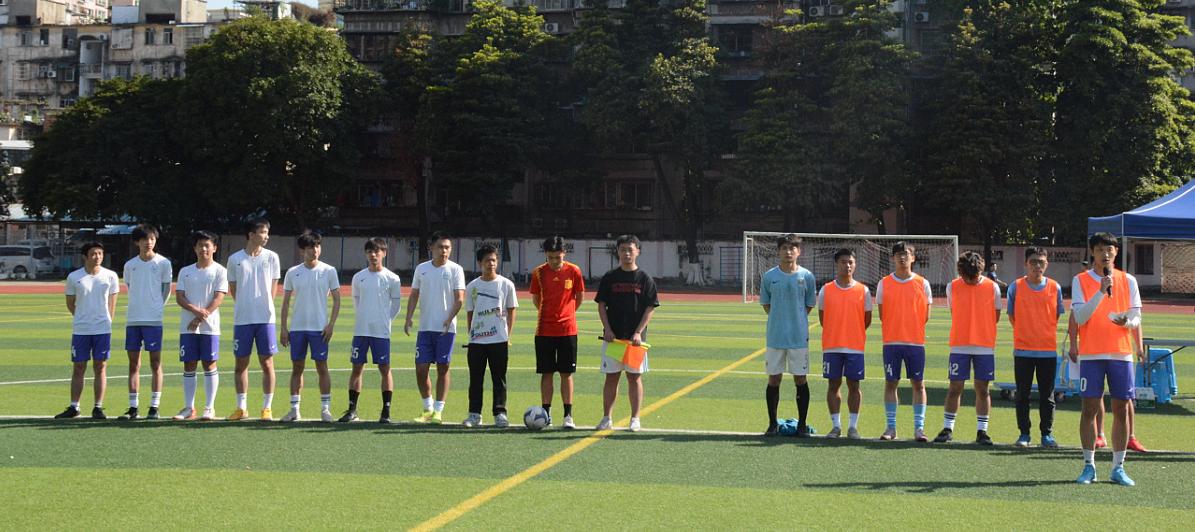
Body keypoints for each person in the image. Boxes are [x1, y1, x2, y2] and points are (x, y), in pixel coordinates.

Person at [1071, 232, 1144, 486]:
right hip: (1092, 353)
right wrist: (1101, 292)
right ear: (1092, 252)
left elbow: (1136, 316)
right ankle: (1089, 465)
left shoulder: (1128, 280)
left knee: (1121, 408)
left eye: (1110, 249)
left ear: (1116, 252)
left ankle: (1118, 467)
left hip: (1121, 353)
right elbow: (1081, 317)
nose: (1106, 254)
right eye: (1101, 249)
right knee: (1089, 408)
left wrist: (1127, 322)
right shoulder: (1080, 280)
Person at [934, 251, 1002, 445]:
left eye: (974, 277)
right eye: (966, 277)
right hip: (959, 344)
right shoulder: (952, 286)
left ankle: (982, 431)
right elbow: (954, 311)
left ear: (980, 270)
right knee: (955, 387)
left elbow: (996, 315)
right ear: (961, 273)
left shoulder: (992, 287)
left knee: (982, 389)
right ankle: (948, 428)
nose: (970, 281)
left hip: (984, 345)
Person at [595, 234, 659, 432]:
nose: (626, 253)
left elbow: (650, 308)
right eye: (623, 250)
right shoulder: (609, 277)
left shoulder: (644, 279)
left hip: (635, 342)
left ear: (637, 251)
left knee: (634, 378)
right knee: (611, 377)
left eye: (630, 250)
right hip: (614, 340)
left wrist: (638, 332)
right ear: (617, 252)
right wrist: (607, 329)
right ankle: (607, 418)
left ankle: (635, 418)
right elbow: (601, 305)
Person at [278, 231, 341, 423]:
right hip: (298, 328)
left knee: (322, 366)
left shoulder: (329, 271)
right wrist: (283, 328)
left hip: (319, 328)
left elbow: (337, 300)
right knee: (297, 367)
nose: (315, 250)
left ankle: (325, 409)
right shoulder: (292, 272)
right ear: (302, 250)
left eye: (317, 246)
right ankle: (294, 410)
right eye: (310, 247)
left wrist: (331, 325)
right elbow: (285, 302)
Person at [404, 231, 466, 424]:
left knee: (443, 368)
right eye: (440, 247)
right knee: (421, 369)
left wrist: (449, 319)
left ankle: (438, 410)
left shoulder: (456, 270)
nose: (444, 251)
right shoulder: (421, 269)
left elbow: (460, 299)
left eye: (447, 247)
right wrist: (408, 317)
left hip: (446, 329)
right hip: (425, 327)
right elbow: (414, 294)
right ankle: (427, 408)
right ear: (431, 247)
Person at [759, 234, 817, 437]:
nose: (788, 251)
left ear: (799, 251)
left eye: (792, 248)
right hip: (775, 336)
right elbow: (766, 304)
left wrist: (796, 319)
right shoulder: (769, 276)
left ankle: (802, 424)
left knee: (800, 379)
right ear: (778, 251)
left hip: (798, 337)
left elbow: (809, 304)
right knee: (774, 379)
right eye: (784, 248)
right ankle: (772, 424)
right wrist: (780, 318)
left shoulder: (807, 276)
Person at [55, 242, 120, 419]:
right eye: (93, 254)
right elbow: (70, 303)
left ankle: (98, 407)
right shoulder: (74, 277)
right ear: (85, 256)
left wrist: (107, 321)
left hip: (102, 329)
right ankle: (74, 406)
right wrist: (82, 317)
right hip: (81, 329)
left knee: (100, 367)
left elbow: (112, 303)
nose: (97, 257)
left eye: (100, 253)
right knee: (78, 367)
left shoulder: (110, 276)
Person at [1007, 247, 1064, 448]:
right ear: (1026, 263)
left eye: (1041, 262)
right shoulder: (1015, 287)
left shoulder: (1055, 287)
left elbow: (1056, 315)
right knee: (1022, 394)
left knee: (1047, 396)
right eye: (1033, 261)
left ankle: (1046, 434)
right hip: (1023, 350)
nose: (1037, 266)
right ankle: (1024, 434)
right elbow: (1012, 316)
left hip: (1047, 351)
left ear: (1046, 264)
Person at [876, 242, 933, 441]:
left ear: (913, 258)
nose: (902, 258)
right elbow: (882, 313)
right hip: (891, 342)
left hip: (915, 343)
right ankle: (891, 428)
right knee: (891, 383)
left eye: (906, 254)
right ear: (893, 258)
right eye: (899, 254)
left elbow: (926, 315)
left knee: (918, 384)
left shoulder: (922, 283)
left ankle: (919, 428)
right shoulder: (884, 283)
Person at [341, 238, 402, 423]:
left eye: (377, 251)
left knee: (384, 369)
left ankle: (386, 411)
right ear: (366, 254)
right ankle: (352, 410)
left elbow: (396, 305)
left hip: (381, 332)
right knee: (356, 368)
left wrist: (385, 321)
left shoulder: (392, 278)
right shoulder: (358, 277)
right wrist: (363, 318)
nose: (373, 255)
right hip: (361, 331)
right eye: (370, 251)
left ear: (384, 253)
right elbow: (356, 301)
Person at [226, 219, 281, 421]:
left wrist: (265, 307)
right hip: (243, 319)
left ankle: (267, 408)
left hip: (265, 319)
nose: (266, 236)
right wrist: (245, 306)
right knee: (241, 364)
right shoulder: (234, 259)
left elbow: (273, 288)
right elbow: (234, 290)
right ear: (251, 234)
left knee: (267, 363)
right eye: (263, 232)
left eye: (267, 232)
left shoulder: (272, 257)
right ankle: (241, 407)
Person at [530, 236, 585, 430]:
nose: (554, 261)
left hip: (568, 331)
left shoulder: (574, 271)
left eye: (558, 257)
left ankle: (568, 415)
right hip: (544, 330)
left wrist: (567, 314)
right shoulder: (538, 272)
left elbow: (579, 297)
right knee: (546, 373)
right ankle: (546, 414)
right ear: (546, 254)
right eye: (551, 257)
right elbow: (536, 300)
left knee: (566, 374)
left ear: (564, 253)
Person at [118, 224, 172, 421]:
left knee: (155, 363)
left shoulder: (163, 263)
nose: (148, 243)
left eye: (151, 239)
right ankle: (133, 407)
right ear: (137, 242)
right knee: (134, 364)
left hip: (153, 320)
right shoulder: (130, 265)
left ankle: (154, 406)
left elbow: (166, 290)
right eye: (144, 239)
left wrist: (156, 307)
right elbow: (130, 286)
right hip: (133, 319)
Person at [172, 231, 228, 421]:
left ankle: (209, 408)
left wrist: (200, 317)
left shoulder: (220, 271)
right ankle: (189, 407)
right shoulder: (185, 271)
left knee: (209, 363)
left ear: (214, 248)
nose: (203, 248)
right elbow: (180, 297)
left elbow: (218, 298)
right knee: (189, 364)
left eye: (207, 245)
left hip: (209, 327)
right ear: (194, 248)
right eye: (200, 245)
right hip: (187, 326)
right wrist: (196, 311)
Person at [462, 244, 518, 428]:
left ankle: (500, 413)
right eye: (487, 260)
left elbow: (511, 310)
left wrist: (508, 335)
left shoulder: (506, 284)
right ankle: (474, 414)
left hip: (499, 339)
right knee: (475, 379)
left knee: (499, 379)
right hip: (477, 341)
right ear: (480, 263)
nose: (491, 264)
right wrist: (471, 335)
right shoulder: (472, 286)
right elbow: (470, 313)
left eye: (494, 260)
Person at [818, 248, 872, 439]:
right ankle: (836, 426)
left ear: (855, 265)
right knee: (833, 385)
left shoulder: (863, 290)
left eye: (850, 262)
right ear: (836, 264)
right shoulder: (826, 290)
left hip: (855, 346)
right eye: (843, 262)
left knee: (854, 386)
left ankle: (853, 427)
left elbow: (866, 319)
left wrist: (853, 332)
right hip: (832, 345)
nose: (847, 265)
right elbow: (823, 318)